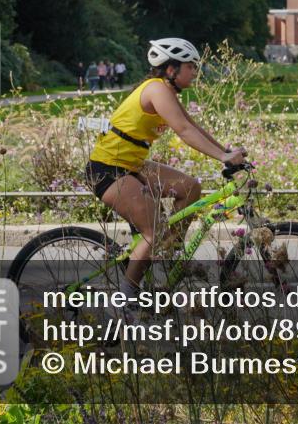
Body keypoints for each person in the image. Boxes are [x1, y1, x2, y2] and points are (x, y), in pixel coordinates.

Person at [84, 38, 245, 302]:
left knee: (190, 187)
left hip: (131, 165)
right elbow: (183, 131)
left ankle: (167, 251)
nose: (195, 71)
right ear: (171, 69)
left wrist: (226, 152)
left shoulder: (165, 91)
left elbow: (191, 125)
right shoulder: (156, 90)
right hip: (108, 169)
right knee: (153, 232)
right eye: (190, 66)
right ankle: (125, 304)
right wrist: (223, 156)